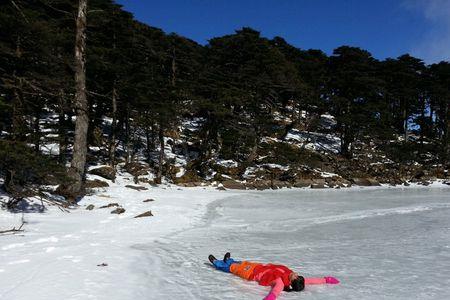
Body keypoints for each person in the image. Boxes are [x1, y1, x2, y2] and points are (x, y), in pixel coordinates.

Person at [208, 253, 339, 300]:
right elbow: (310, 281)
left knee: (233, 269)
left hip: (252, 274)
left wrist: (269, 298)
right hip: (259, 267)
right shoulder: (291, 276)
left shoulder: (281, 283)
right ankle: (229, 260)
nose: (296, 274)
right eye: (299, 275)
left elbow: (275, 292)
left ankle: (217, 263)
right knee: (242, 263)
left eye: (296, 277)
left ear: (292, 282)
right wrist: (326, 280)